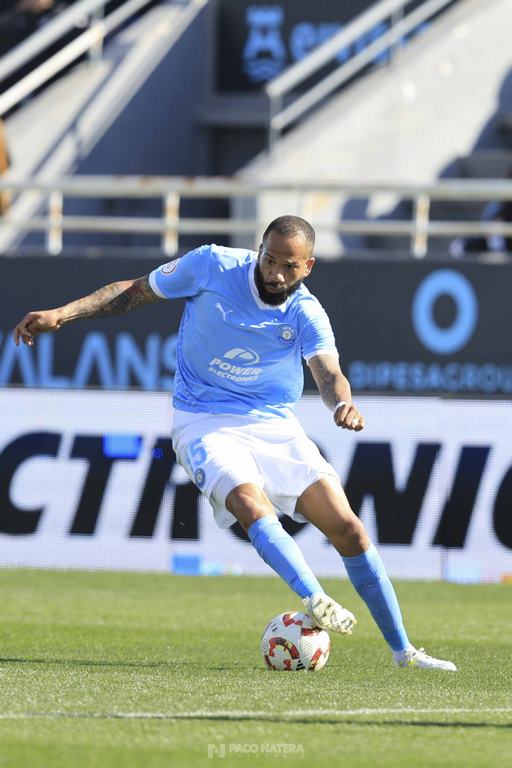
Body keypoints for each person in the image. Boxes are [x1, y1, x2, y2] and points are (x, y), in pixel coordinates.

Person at [13, 214, 456, 671]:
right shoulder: (212, 265)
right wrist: (62, 314)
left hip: (274, 426)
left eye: (289, 266)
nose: (276, 273)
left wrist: (343, 404)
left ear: (308, 267)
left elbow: (328, 374)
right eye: (270, 260)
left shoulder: (307, 312)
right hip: (204, 420)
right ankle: (314, 597)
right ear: (259, 249)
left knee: (350, 530)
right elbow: (135, 291)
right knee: (248, 502)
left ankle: (404, 652)